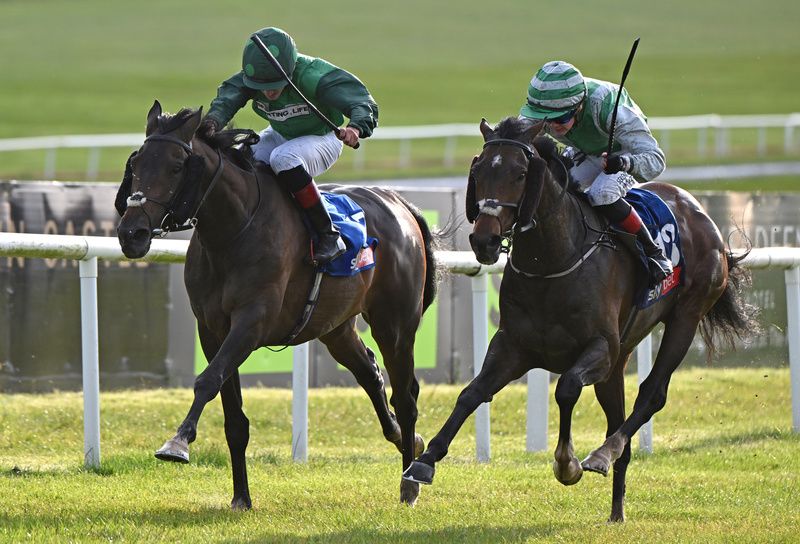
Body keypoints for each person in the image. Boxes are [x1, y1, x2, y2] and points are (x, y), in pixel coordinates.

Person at [199, 27, 379, 265]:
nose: (269, 91)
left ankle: (328, 235)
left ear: (290, 69)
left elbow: (360, 100)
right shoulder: (251, 80)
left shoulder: (313, 75)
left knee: (283, 159)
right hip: (281, 133)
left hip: (323, 138)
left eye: (275, 83)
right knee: (242, 159)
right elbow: (227, 99)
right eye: (262, 86)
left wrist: (356, 127)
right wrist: (212, 122)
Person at [519, 60, 673, 284]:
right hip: (585, 151)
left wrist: (623, 163)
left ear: (580, 105)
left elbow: (656, 161)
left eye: (561, 119)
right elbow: (518, 139)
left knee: (602, 193)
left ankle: (653, 254)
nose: (552, 127)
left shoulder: (612, 110)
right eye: (546, 119)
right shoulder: (544, 107)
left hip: (624, 152)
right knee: (556, 185)